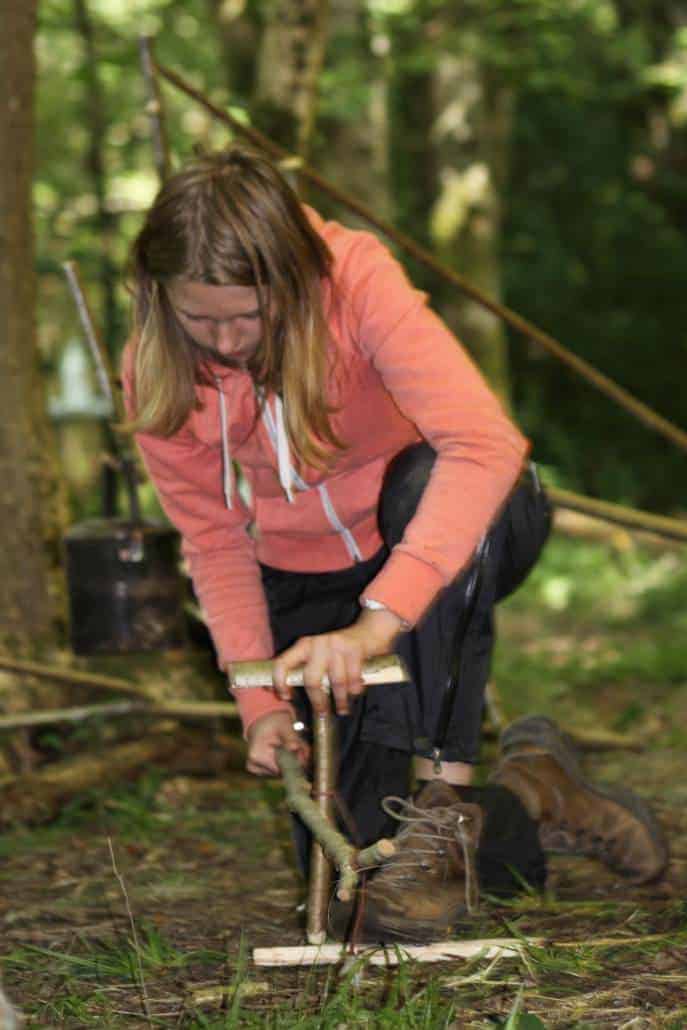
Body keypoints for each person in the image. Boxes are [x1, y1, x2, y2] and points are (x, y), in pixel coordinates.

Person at [122, 147, 667, 942]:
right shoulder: (156, 367)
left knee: (423, 479)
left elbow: (484, 446)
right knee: (365, 890)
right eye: (200, 319)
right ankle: (536, 793)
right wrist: (259, 704)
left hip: (446, 541)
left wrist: (380, 617)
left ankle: (441, 798)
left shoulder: (357, 280)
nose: (229, 341)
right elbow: (213, 538)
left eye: (249, 315)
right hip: (308, 580)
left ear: (297, 278)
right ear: (160, 295)